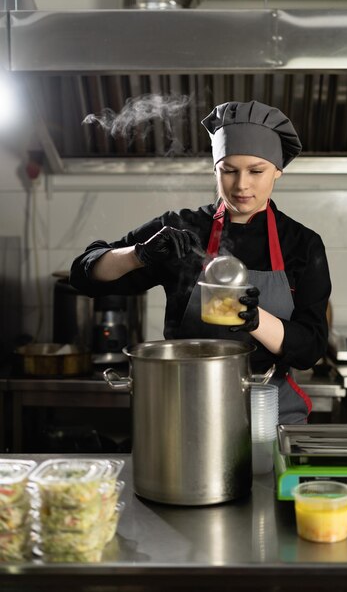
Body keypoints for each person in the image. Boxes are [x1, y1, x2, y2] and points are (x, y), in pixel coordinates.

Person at [70, 100, 331, 424]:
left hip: (271, 415)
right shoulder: (181, 228)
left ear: (278, 170)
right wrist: (139, 254)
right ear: (215, 169)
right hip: (186, 412)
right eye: (229, 170)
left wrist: (254, 318)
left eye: (256, 171)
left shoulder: (302, 245)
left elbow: (311, 349)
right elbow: (83, 274)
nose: (241, 185)